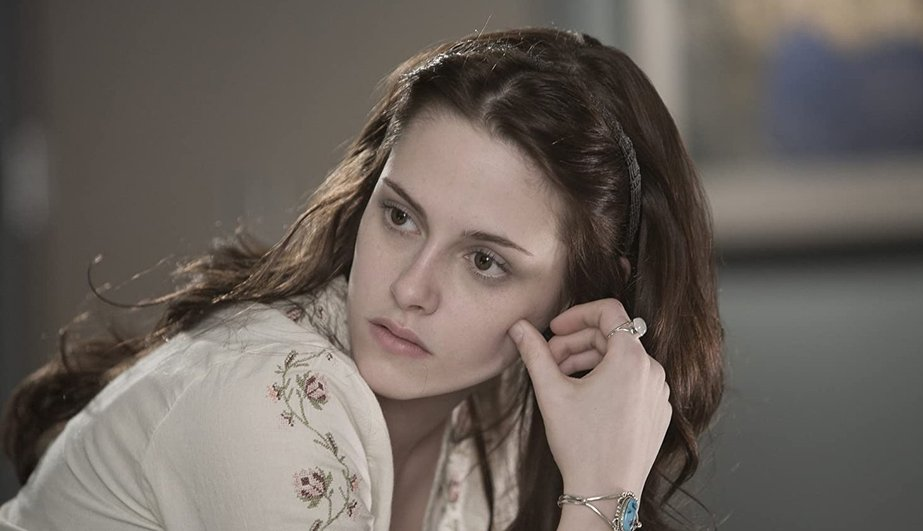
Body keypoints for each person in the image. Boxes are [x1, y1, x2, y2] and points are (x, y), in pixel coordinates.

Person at [0, 27, 723, 531]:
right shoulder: (268, 400)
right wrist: (604, 497)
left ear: (583, 295)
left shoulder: (494, 421)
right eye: (401, 217)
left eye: (485, 261)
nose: (410, 287)